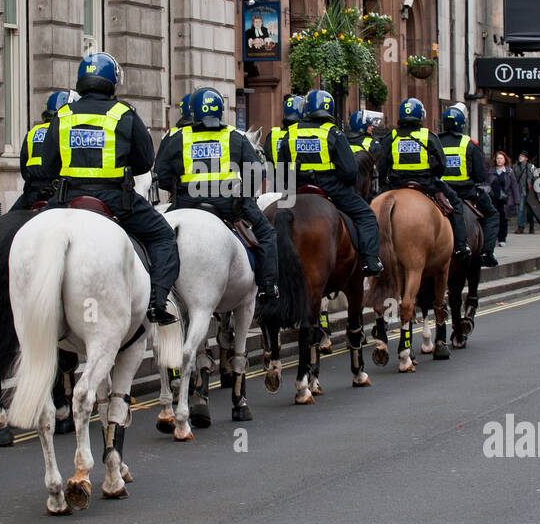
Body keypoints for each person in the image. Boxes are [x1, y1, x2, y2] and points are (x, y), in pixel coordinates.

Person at [39, 50, 180, 324]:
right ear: (112, 82)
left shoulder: (63, 114)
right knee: (163, 237)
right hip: (114, 200)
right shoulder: (124, 114)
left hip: (67, 199)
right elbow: (144, 162)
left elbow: (46, 167)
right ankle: (157, 302)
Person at [155, 87, 278, 304]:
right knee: (266, 233)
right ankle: (267, 288)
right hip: (228, 204)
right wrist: (244, 196)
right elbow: (257, 171)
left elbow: (161, 174)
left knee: (158, 237)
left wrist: (179, 186)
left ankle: (155, 293)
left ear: (193, 111)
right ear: (221, 110)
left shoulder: (177, 137)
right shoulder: (234, 136)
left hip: (186, 202)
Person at [278, 89, 383, 276]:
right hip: (331, 189)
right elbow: (350, 172)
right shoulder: (333, 133)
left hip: (297, 190)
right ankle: (370, 260)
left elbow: (282, 170)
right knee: (366, 215)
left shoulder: (290, 133)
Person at [377, 98, 470, 259]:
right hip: (426, 183)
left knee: (373, 207)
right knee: (455, 202)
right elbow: (442, 163)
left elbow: (382, 164)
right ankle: (461, 245)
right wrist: (436, 175)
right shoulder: (428, 136)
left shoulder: (391, 136)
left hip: (397, 184)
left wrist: (383, 183)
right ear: (420, 116)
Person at [437, 105, 501, 267]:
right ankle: (487, 252)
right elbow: (480, 175)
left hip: (440, 191)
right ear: (461, 124)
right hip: (465, 192)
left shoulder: (435, 141)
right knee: (493, 214)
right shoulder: (469, 144)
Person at [9, 90, 73, 213]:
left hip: (32, 194)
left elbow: (24, 167)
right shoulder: (64, 131)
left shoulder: (32, 132)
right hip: (57, 193)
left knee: (7, 222)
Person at [486, 151, 518, 247]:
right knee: (493, 218)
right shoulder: (491, 171)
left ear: (505, 160)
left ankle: (502, 238)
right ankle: (493, 237)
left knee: (503, 219)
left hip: (505, 199)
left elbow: (514, 186)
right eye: (498, 158)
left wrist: (516, 200)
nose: (499, 160)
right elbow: (486, 184)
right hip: (493, 198)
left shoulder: (509, 171)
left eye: (501, 158)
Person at [513, 151, 539, 234]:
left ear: (526, 158)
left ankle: (531, 226)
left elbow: (537, 182)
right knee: (520, 210)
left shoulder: (531, 167)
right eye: (520, 155)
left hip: (529, 192)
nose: (520, 157)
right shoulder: (515, 167)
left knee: (530, 211)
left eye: (523, 156)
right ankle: (521, 226)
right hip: (520, 192)